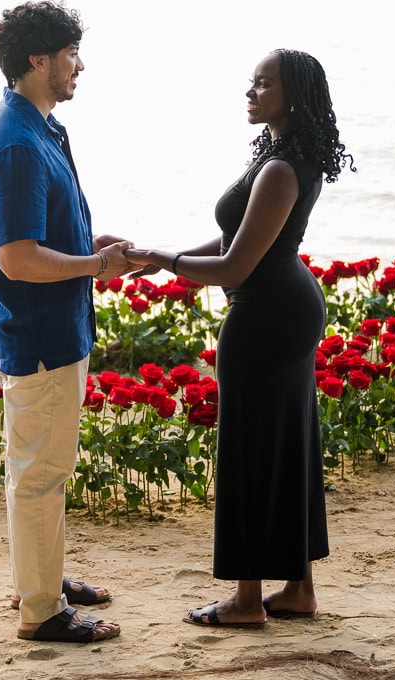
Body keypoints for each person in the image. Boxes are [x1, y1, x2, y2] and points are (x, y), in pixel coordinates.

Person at [125, 49, 352, 627]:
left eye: (263, 84)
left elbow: (234, 268)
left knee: (251, 450)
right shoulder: (285, 158)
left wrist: (161, 257)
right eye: (251, 82)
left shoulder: (280, 170)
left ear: (292, 97)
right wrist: (163, 257)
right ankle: (298, 590)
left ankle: (248, 601)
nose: (249, 92)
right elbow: (238, 243)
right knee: (290, 445)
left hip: (266, 318)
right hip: (285, 309)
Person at [0, 0, 128, 644]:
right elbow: (16, 258)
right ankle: (40, 611)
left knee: (42, 468)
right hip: (39, 333)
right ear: (38, 60)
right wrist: (96, 264)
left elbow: (43, 236)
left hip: (50, 326)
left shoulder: (36, 123)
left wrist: (96, 247)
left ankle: (43, 575)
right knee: (41, 473)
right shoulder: (16, 142)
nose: (79, 66)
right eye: (69, 55)